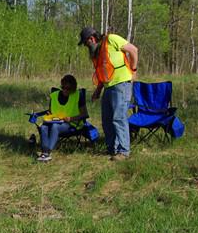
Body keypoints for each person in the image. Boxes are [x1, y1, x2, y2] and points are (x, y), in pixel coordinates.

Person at [78, 27, 139, 161]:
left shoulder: (112, 39)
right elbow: (102, 74)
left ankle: (124, 151)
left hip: (122, 84)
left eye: (86, 43)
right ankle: (112, 149)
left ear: (91, 39)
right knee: (107, 120)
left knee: (118, 118)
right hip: (108, 87)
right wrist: (98, 90)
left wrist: (133, 70)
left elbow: (133, 50)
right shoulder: (98, 53)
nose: (86, 46)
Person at [36, 74, 89, 162]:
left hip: (72, 124)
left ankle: (47, 153)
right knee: (43, 127)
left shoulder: (78, 95)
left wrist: (71, 119)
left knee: (55, 127)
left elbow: (85, 114)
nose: (65, 90)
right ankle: (44, 152)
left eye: (68, 89)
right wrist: (48, 116)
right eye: (63, 87)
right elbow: (50, 111)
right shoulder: (54, 95)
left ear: (73, 88)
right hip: (54, 121)